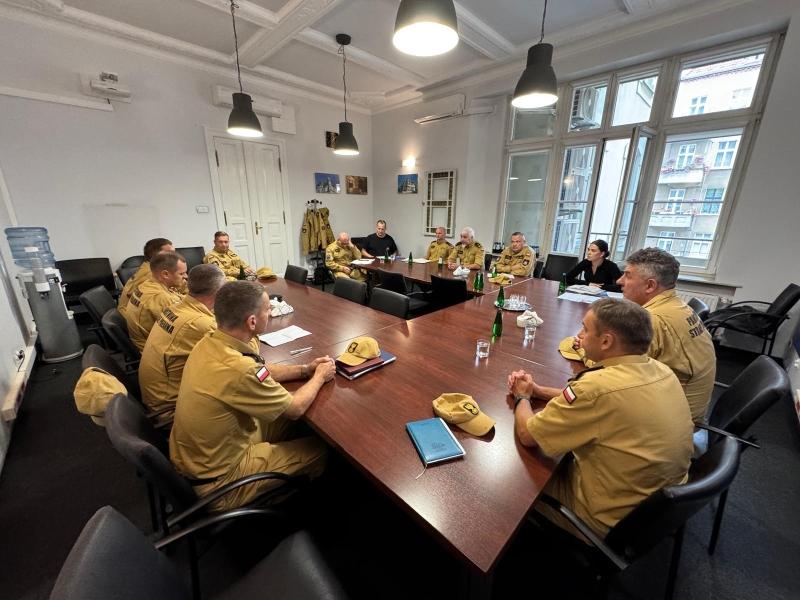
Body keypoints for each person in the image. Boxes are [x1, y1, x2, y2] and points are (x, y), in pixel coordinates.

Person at [509, 298, 693, 540]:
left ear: (606, 341)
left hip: (607, 520)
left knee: (514, 477)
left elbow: (528, 434)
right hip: (657, 508)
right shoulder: (661, 370)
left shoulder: (595, 388)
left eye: (585, 329)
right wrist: (539, 391)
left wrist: (522, 396)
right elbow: (601, 398)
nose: (579, 335)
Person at [169, 281, 334, 511]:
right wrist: (320, 376)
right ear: (252, 322)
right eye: (267, 309)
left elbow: (261, 370)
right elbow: (295, 407)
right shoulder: (240, 369)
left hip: (202, 458)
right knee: (321, 449)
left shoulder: (209, 342)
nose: (271, 310)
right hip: (221, 483)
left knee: (290, 423)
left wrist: (304, 369)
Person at [615, 247, 716, 423]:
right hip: (681, 404)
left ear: (650, 286)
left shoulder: (653, 319)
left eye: (628, 275)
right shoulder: (677, 306)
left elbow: (617, 373)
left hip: (671, 421)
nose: (619, 281)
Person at [138, 264, 226, 414]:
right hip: (171, 409)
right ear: (219, 292)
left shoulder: (176, 308)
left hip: (156, 395)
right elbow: (242, 356)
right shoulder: (199, 324)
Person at [124, 251, 187, 351]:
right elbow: (183, 328)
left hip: (145, 341)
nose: (186, 276)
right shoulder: (161, 297)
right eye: (182, 273)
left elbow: (177, 296)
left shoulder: (147, 284)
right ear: (165, 274)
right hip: (152, 350)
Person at [118, 238, 174, 315]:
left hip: (132, 311)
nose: (175, 256)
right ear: (156, 256)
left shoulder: (148, 266)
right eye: (170, 253)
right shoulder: (151, 274)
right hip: (129, 315)